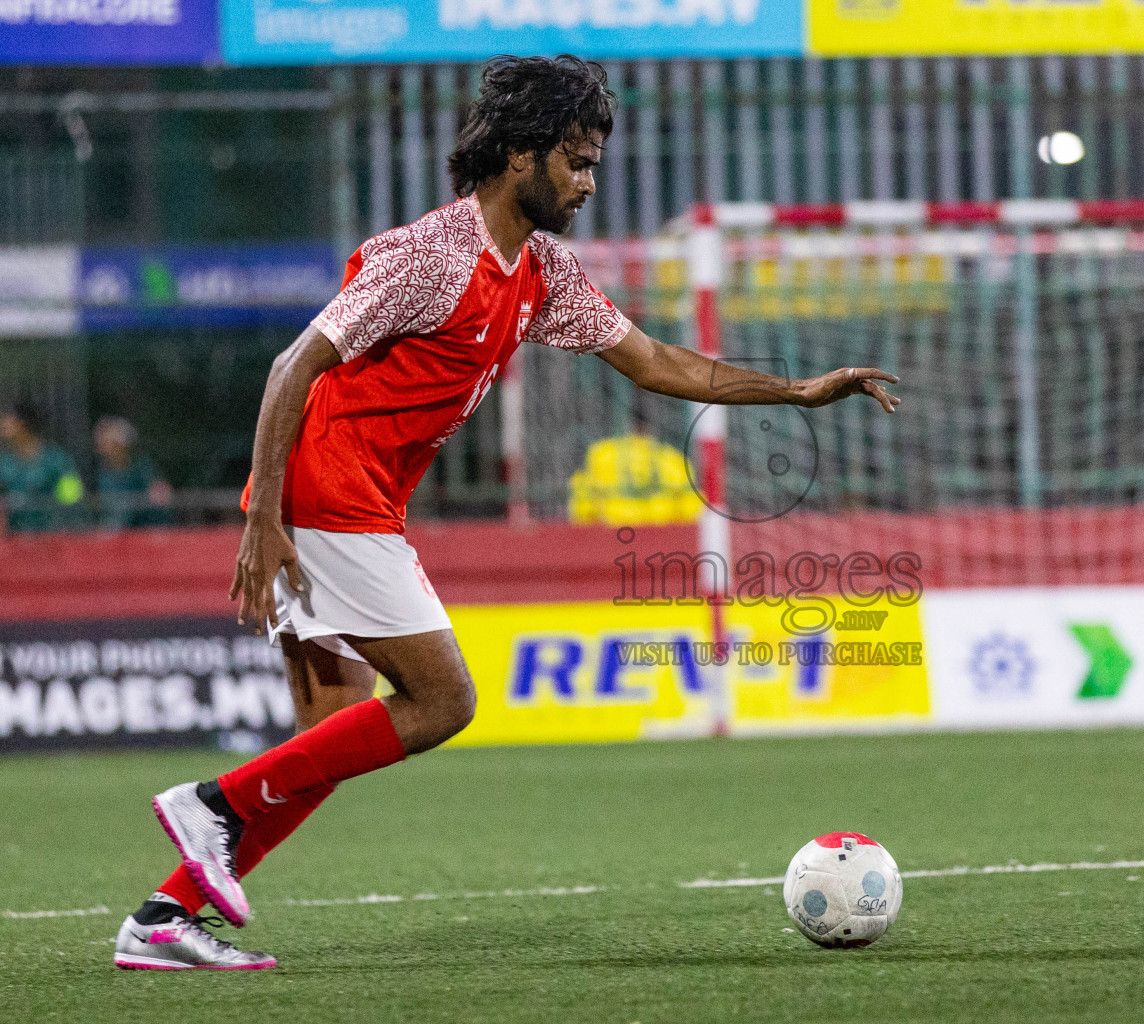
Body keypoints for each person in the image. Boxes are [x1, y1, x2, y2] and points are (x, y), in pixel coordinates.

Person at [112, 55, 900, 972]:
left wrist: (798, 391)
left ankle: (163, 920)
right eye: (576, 159)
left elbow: (653, 362)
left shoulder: (542, 272)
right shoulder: (433, 256)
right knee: (444, 699)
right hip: (327, 492)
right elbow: (296, 364)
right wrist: (264, 525)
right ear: (521, 155)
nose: (590, 180)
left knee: (333, 727)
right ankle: (214, 805)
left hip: (340, 500)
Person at [0, 400, 83, 533]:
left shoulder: (57, 460)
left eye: (6, 419)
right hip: (14, 541)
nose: (2, 424)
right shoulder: (4, 462)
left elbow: (72, 498)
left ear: (22, 424)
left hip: (49, 538)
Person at [94, 416, 173, 529]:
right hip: (116, 537)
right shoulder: (102, 473)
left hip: (147, 532)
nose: (104, 447)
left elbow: (161, 501)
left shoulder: (143, 469)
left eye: (111, 443)